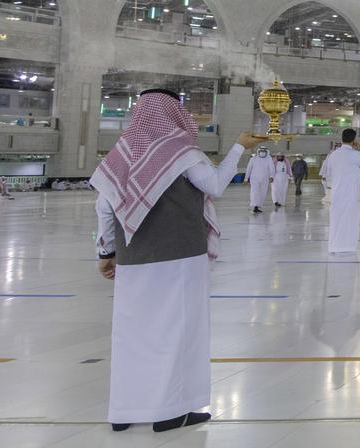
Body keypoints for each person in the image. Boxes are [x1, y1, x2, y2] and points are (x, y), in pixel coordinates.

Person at [90, 88, 261, 433]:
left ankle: (124, 411)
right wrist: (240, 146)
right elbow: (213, 185)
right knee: (178, 331)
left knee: (132, 333)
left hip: (133, 258)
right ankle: (172, 410)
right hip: (181, 256)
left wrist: (107, 253)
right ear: (172, 113)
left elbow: (104, 207)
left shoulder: (119, 154)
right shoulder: (182, 152)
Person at [320, 129, 360, 253]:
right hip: (351, 194)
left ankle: (335, 246)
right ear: (354, 140)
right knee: (351, 219)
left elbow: (329, 171)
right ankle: (348, 246)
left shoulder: (334, 155)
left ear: (342, 139)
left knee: (336, 219)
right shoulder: (355, 154)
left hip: (337, 193)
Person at [244, 147, 272, 214]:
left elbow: (272, 168)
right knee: (254, 192)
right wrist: (246, 178)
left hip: (265, 179)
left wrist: (272, 176)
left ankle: (258, 206)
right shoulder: (253, 159)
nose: (262, 152)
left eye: (264, 151)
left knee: (263, 192)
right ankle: (254, 206)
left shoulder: (269, 159)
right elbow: (249, 168)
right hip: (254, 178)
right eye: (261, 150)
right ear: (258, 151)